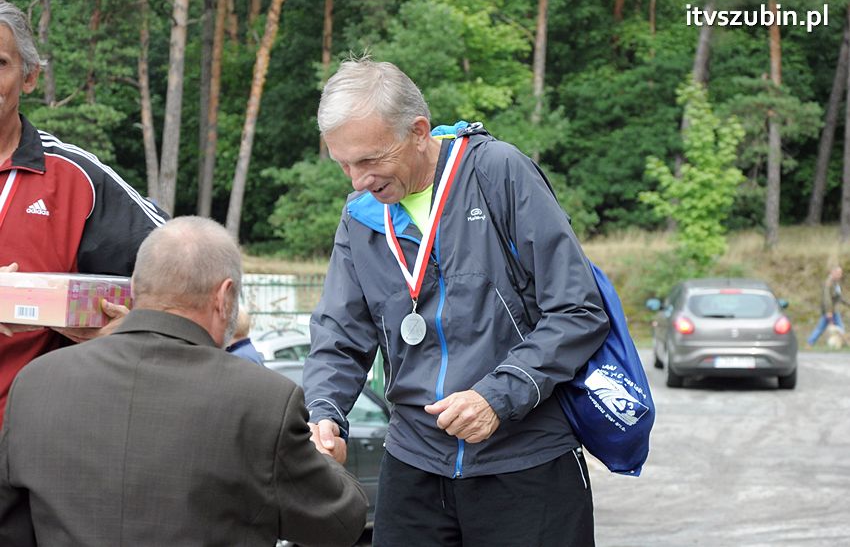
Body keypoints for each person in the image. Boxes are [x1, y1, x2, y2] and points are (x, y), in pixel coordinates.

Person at [303, 59, 610, 546]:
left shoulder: (498, 173)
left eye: (369, 160)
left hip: (525, 461)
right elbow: (340, 335)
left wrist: (497, 396)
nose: (357, 180)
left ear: (419, 132)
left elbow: (578, 310)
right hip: (414, 465)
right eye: (344, 163)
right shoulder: (361, 217)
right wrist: (323, 412)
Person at [0, 216, 368, 547]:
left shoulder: (34, 384)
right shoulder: (263, 400)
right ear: (225, 298)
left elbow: (10, 527)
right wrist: (328, 460)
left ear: (136, 286)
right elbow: (340, 523)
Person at [0, 0, 168, 428]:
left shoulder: (74, 178)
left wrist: (135, 329)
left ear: (30, 76)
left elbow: (188, 268)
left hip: (32, 440)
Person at [807, 266, 850, 346]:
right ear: (833, 273)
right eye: (838, 273)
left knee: (838, 328)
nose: (840, 275)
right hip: (830, 310)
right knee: (822, 328)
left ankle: (810, 342)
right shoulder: (828, 283)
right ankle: (810, 343)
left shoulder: (835, 283)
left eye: (841, 273)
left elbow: (839, 297)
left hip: (834, 310)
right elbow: (827, 299)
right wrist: (829, 312)